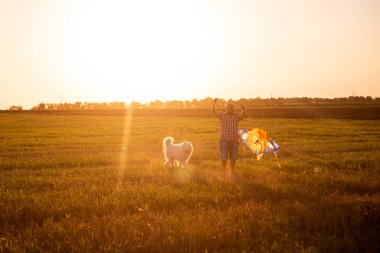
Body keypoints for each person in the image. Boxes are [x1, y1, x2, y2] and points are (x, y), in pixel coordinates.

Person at [212, 98, 247, 177]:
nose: (230, 109)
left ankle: (232, 171)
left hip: (234, 141)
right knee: (223, 157)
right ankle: (223, 171)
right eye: (229, 107)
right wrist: (214, 103)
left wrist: (243, 109)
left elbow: (244, 115)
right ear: (227, 108)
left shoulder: (236, 116)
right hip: (224, 141)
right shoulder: (222, 115)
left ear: (233, 109)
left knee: (233, 158)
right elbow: (213, 112)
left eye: (232, 108)